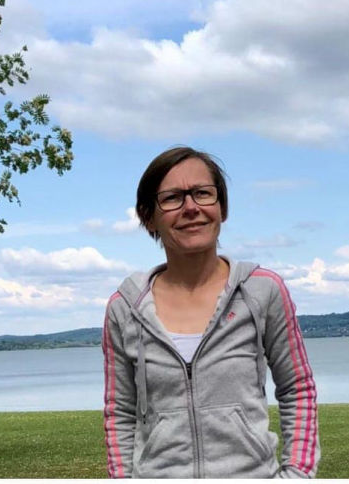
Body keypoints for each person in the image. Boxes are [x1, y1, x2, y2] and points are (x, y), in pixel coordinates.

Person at [102, 146, 319, 478]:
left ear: (222, 208)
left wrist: (298, 474)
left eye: (203, 193)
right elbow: (119, 412)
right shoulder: (125, 308)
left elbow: (297, 388)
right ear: (149, 217)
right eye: (173, 198)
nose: (191, 207)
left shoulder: (262, 290)